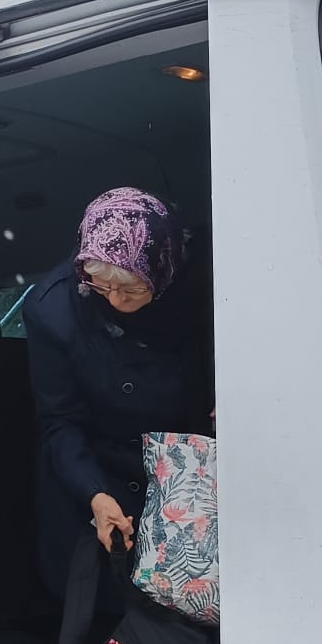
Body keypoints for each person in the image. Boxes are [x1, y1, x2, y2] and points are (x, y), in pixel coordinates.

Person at [22, 187, 212, 600]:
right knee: (105, 608)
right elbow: (60, 419)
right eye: (99, 284)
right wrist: (94, 492)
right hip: (96, 473)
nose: (114, 300)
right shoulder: (54, 309)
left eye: (130, 289)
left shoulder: (208, 282)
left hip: (189, 471)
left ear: (163, 268)